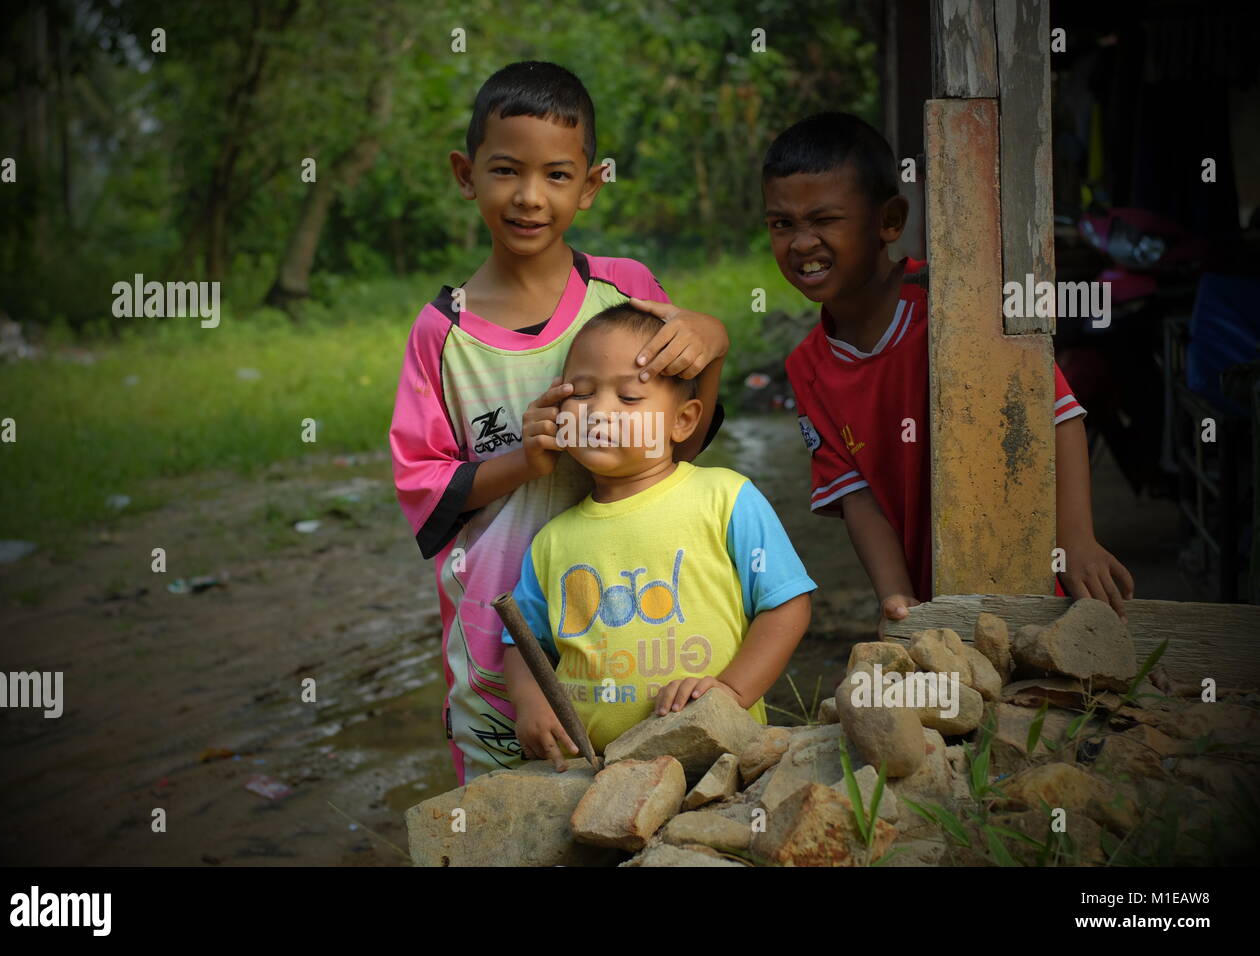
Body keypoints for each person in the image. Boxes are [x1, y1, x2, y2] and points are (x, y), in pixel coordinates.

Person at [389, 62, 730, 785]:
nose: (529, 197)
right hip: (496, 626)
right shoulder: (442, 334)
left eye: (556, 175)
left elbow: (685, 441)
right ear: (466, 172)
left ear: (590, 184)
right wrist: (526, 459)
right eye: (506, 170)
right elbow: (425, 486)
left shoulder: (626, 290)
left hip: (632, 615)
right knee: (505, 809)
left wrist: (716, 344)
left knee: (645, 796)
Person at [760, 111, 1134, 630]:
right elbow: (857, 496)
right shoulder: (808, 367)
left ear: (889, 220)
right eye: (783, 224)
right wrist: (896, 596)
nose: (801, 243)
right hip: (938, 608)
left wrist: (1075, 540)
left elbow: (1057, 412)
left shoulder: (953, 306)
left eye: (824, 220)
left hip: (1035, 582)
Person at [500, 305, 816, 768]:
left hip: (720, 760)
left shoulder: (725, 498)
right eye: (582, 394)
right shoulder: (551, 540)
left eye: (629, 399)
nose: (599, 413)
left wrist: (729, 692)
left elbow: (787, 604)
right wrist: (530, 702)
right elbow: (522, 643)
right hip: (599, 772)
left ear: (683, 421)